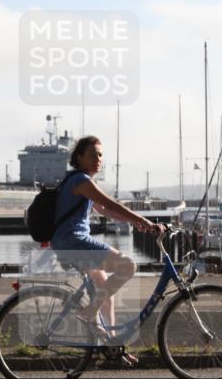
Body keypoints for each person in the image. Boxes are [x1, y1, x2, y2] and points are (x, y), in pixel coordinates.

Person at [51, 136, 164, 364]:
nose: (98, 159)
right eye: (92, 155)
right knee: (127, 266)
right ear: (79, 157)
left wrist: (136, 223)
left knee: (105, 296)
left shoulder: (77, 180)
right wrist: (144, 220)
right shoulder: (81, 181)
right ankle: (87, 313)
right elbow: (112, 204)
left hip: (69, 242)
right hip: (74, 242)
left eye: (100, 155)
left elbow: (104, 210)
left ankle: (112, 348)